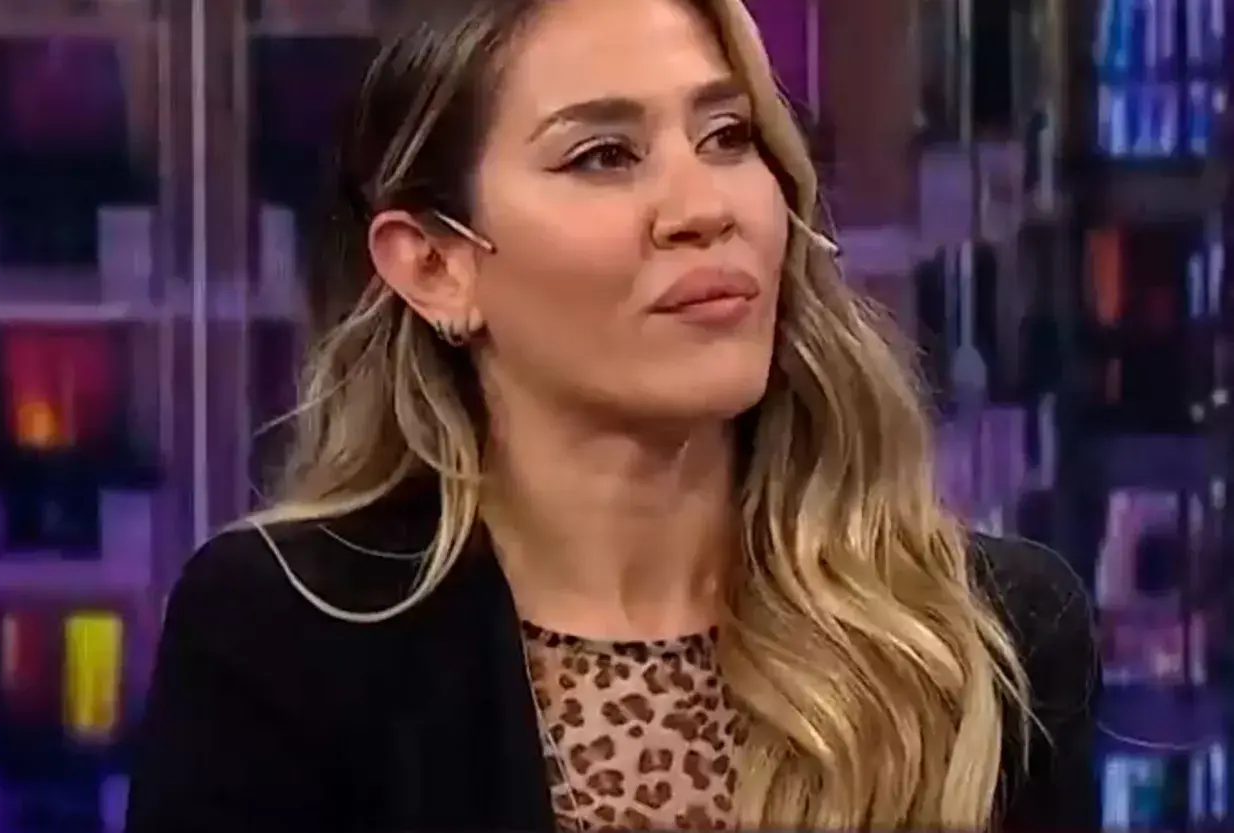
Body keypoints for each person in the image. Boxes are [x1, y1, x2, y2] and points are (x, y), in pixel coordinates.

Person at [124, 0, 1101, 830]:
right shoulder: (282, 638)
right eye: (603, 155)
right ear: (436, 264)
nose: (703, 207)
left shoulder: (989, 637)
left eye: (727, 137)